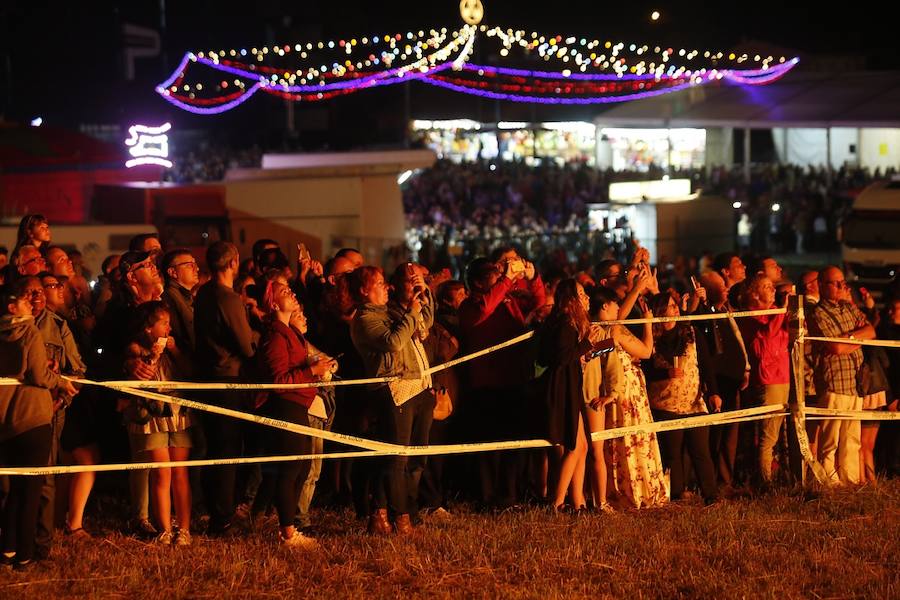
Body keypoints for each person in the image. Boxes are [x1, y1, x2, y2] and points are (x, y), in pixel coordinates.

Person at [350, 264, 435, 534]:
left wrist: (423, 294)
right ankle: (402, 517)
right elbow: (393, 342)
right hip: (393, 390)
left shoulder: (388, 312)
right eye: (380, 283)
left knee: (409, 456)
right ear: (364, 291)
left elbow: (423, 325)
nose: (386, 287)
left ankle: (382, 513)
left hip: (414, 386)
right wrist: (411, 312)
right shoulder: (364, 319)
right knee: (396, 460)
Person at [0, 280, 77, 570]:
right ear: (12, 306)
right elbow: (39, 377)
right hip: (32, 419)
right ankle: (25, 554)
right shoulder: (29, 331)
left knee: (12, 489)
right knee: (30, 492)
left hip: (6, 420)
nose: (32, 301)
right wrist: (63, 382)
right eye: (24, 298)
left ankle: (7, 548)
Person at [458, 255, 545, 509]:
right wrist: (506, 279)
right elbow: (486, 309)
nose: (499, 277)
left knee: (513, 441)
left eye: (499, 274)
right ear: (477, 281)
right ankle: (487, 497)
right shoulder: (470, 306)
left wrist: (533, 278)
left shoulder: (507, 298)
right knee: (488, 444)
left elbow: (538, 304)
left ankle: (509, 496)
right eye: (493, 274)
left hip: (514, 378)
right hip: (486, 384)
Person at [254, 278, 332, 546]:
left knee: (299, 467)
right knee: (290, 469)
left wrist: (315, 367)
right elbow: (278, 381)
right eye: (285, 292)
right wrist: (311, 371)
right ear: (274, 303)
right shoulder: (276, 335)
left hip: (299, 404)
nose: (292, 294)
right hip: (286, 406)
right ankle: (287, 531)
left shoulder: (291, 332)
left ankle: (276, 521)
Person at [194, 241, 258, 535]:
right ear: (233, 263)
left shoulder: (204, 294)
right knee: (228, 449)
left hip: (207, 375)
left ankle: (215, 509)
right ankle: (223, 518)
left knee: (215, 448)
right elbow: (246, 346)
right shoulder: (229, 299)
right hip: (228, 378)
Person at [123, 302, 193, 545]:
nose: (168, 327)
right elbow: (143, 377)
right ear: (149, 327)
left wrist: (174, 351)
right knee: (162, 472)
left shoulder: (174, 347)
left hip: (177, 411)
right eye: (164, 323)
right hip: (152, 415)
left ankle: (183, 528)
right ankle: (164, 527)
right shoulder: (135, 349)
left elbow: (188, 371)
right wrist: (153, 355)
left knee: (180, 471)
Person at [591, 287, 667, 509]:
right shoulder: (612, 330)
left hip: (611, 388)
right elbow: (646, 351)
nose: (619, 309)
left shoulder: (593, 329)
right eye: (615, 304)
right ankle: (634, 491)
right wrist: (648, 324)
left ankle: (619, 490)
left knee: (616, 440)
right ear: (605, 306)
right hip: (624, 390)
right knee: (628, 435)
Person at [644, 291, 720, 504]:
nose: (675, 309)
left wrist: (713, 392)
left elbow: (706, 365)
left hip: (693, 401)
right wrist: (665, 374)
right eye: (670, 306)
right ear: (660, 312)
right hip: (665, 403)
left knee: (700, 450)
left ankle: (711, 495)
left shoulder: (692, 333)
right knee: (672, 453)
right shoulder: (653, 339)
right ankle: (675, 495)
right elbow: (646, 370)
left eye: (676, 305)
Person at [536, 279, 602, 511]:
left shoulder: (563, 323)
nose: (585, 298)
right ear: (571, 298)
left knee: (582, 446)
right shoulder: (564, 323)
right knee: (573, 446)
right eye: (581, 293)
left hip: (570, 385)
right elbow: (562, 357)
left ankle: (578, 501)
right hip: (563, 388)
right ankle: (557, 501)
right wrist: (586, 344)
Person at [809, 267, 875, 485]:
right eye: (834, 283)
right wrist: (855, 340)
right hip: (834, 382)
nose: (840, 287)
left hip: (854, 382)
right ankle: (828, 483)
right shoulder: (817, 313)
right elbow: (835, 348)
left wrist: (848, 338)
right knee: (830, 441)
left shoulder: (848, 307)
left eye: (841, 282)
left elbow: (871, 331)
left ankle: (850, 481)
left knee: (851, 439)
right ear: (821, 285)